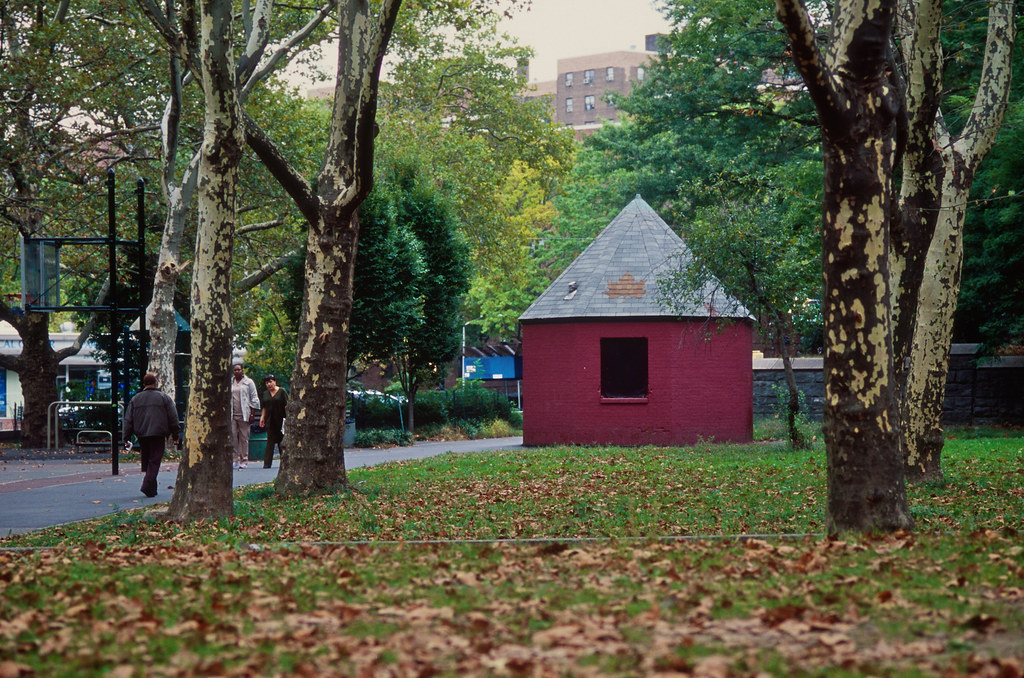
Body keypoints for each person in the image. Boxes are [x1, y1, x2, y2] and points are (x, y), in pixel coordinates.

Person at [122, 373, 179, 498]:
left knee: (148, 460)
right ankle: (147, 485)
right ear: (155, 383)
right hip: (158, 433)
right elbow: (173, 417)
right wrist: (175, 435)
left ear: (144, 384)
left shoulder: (135, 399)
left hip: (142, 434)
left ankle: (152, 490)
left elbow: (128, 420)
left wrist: (126, 437)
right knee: (154, 460)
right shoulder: (164, 398)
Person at [231, 362, 261, 469]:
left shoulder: (249, 382)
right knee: (233, 437)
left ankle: (244, 460)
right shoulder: (231, 382)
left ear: (242, 371)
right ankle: (234, 459)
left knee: (244, 438)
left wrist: (252, 414)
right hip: (233, 415)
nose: (237, 372)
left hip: (245, 414)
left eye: (239, 370)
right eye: (235, 370)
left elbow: (254, 398)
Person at [258, 374, 288, 468]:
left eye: (270, 382)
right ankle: (267, 463)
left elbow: (287, 405)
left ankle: (285, 463)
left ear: (275, 381)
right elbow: (264, 407)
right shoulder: (265, 394)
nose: (269, 384)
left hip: (281, 419)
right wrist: (262, 417)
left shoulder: (282, 391)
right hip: (270, 420)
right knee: (270, 441)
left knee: (281, 441)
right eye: (267, 383)